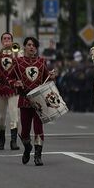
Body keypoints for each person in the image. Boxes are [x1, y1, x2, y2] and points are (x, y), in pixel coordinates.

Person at [10, 37, 55, 166]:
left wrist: (52, 76)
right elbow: (9, 78)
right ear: (24, 47)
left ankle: (38, 155)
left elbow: (47, 78)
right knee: (24, 131)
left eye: (34, 45)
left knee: (38, 127)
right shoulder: (17, 62)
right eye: (29, 45)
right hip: (24, 99)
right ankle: (27, 148)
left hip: (39, 100)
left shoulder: (42, 62)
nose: (31, 47)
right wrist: (15, 83)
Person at [0, 32, 20, 151]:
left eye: (9, 38)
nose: (7, 40)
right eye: (4, 39)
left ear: (12, 40)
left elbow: (22, 61)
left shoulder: (17, 52)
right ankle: (2, 140)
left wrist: (14, 52)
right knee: (1, 117)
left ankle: (14, 141)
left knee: (14, 115)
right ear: (1, 41)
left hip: (13, 87)